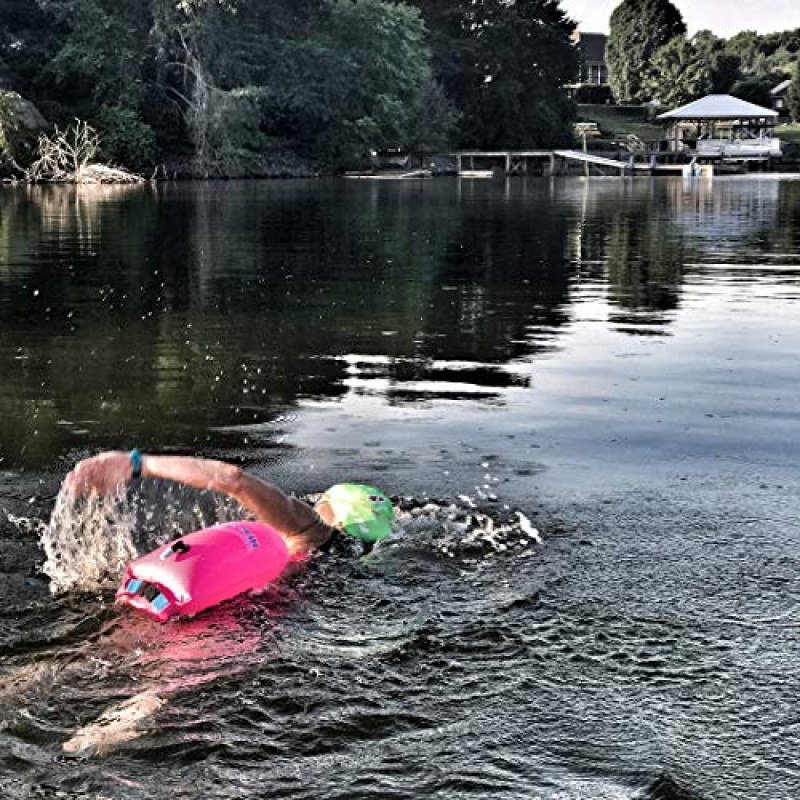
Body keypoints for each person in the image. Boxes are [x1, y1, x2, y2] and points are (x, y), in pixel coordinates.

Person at [65, 449, 394, 555]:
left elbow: (232, 478)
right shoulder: (351, 553)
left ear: (331, 510)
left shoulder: (311, 528)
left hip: (231, 612)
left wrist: (139, 465)